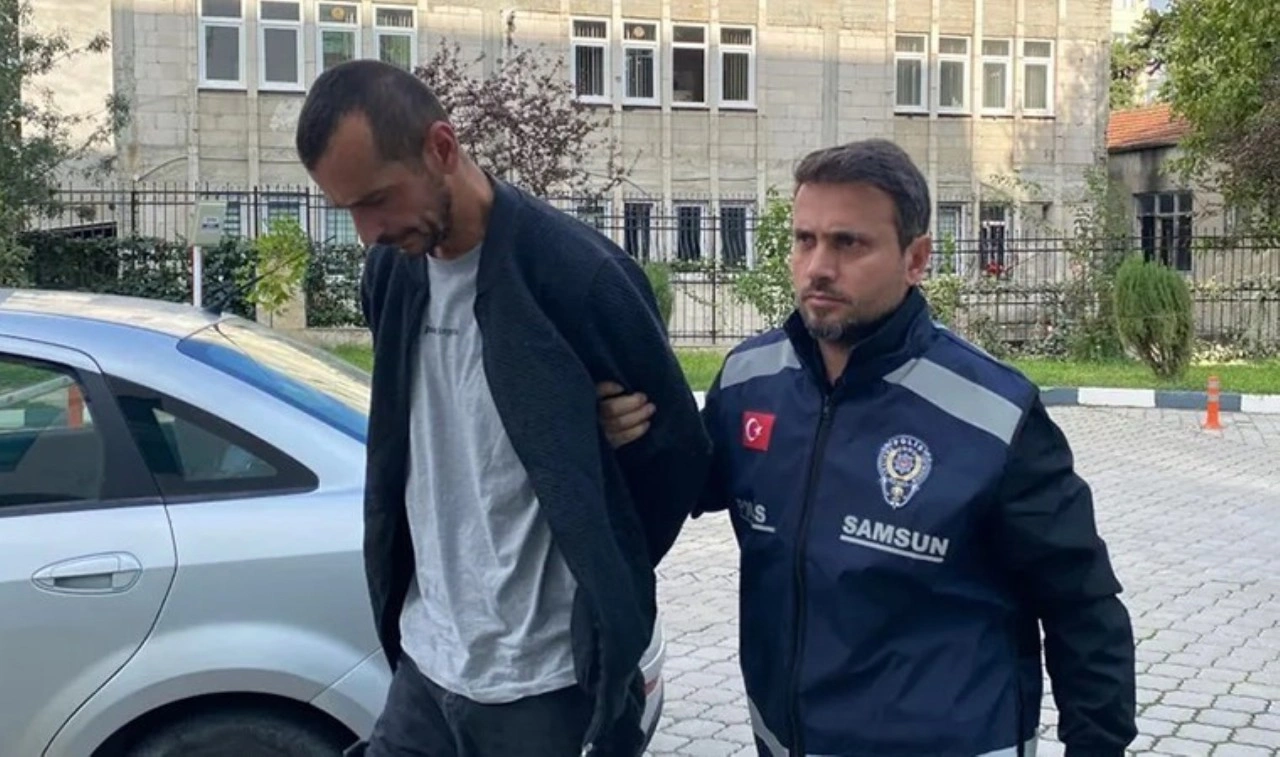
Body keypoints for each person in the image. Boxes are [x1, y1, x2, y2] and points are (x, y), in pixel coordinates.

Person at [598, 139, 1137, 757]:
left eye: (848, 243)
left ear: (917, 258)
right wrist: (625, 437)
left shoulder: (993, 413)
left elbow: (1081, 605)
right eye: (805, 240)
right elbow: (681, 485)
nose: (818, 267)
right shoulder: (750, 379)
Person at [295, 59, 712, 757]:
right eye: (349, 212)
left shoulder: (580, 277)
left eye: (378, 200)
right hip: (427, 660)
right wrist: (572, 429)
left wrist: (602, 566)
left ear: (442, 148)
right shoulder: (391, 273)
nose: (367, 231)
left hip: (543, 682)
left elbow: (677, 459)